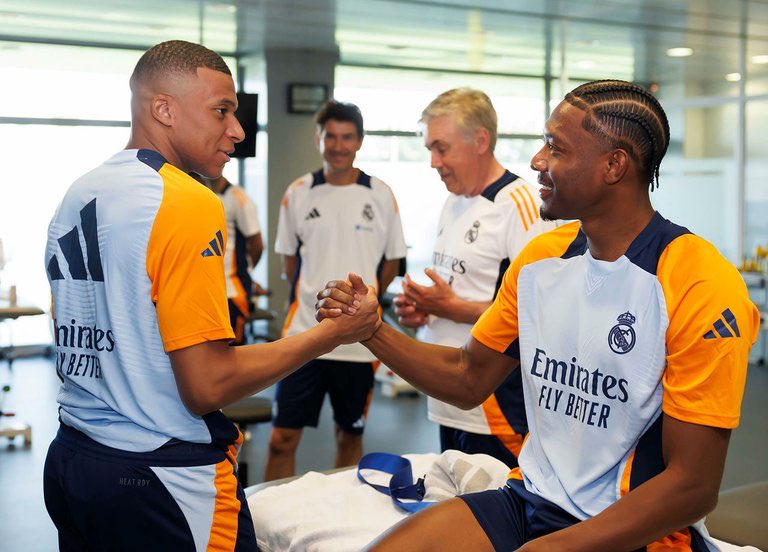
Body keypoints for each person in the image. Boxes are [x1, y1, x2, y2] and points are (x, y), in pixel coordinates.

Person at [316, 80, 759, 551]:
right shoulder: (541, 260)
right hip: (529, 501)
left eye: (556, 148)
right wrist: (373, 329)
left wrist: (554, 548)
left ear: (614, 165)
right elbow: (467, 377)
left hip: (634, 531)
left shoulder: (700, 283)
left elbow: (693, 486)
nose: (537, 162)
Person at [43, 40, 361, 552]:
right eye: (222, 111)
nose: (236, 130)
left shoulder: (80, 190)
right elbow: (207, 385)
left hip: (74, 461)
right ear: (163, 109)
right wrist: (330, 335)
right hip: (160, 481)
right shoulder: (187, 201)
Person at [393, 88, 555, 468]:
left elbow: (540, 310)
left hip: (495, 403)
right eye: (429, 149)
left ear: (481, 140)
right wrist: (426, 311)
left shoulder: (520, 205)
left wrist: (450, 307)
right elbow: (464, 290)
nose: (434, 162)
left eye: (442, 148)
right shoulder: (454, 200)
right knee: (456, 505)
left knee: (501, 517)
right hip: (449, 398)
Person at [264, 100, 407, 481]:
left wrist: (360, 308)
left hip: (360, 346)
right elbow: (289, 264)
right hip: (304, 337)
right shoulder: (298, 192)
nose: (338, 145)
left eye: (347, 138)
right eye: (331, 136)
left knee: (349, 437)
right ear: (318, 139)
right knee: (281, 438)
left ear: (359, 141)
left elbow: (391, 264)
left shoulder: (380, 194)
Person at [192, 173, 264, 344]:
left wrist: (244, 272)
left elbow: (257, 243)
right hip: (205, 290)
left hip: (231, 291)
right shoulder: (196, 193)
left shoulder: (237, 197)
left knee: (232, 352)